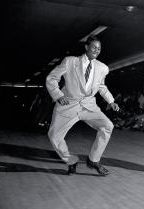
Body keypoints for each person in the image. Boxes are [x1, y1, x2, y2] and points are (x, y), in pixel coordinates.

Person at [46, 35, 119, 176]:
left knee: (108, 126)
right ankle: (71, 160)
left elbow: (102, 87)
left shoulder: (102, 68)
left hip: (88, 106)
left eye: (99, 48)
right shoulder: (70, 62)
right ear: (86, 47)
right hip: (68, 104)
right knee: (54, 135)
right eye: (94, 47)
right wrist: (58, 96)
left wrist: (111, 101)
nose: (97, 50)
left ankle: (94, 160)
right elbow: (52, 78)